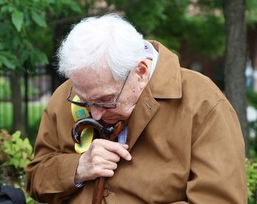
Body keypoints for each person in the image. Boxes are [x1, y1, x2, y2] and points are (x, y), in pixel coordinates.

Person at [26, 13, 247, 203]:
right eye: (85, 101)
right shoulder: (73, 92)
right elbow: (35, 179)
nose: (95, 113)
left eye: (106, 100)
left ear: (140, 71)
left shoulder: (203, 103)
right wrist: (78, 168)